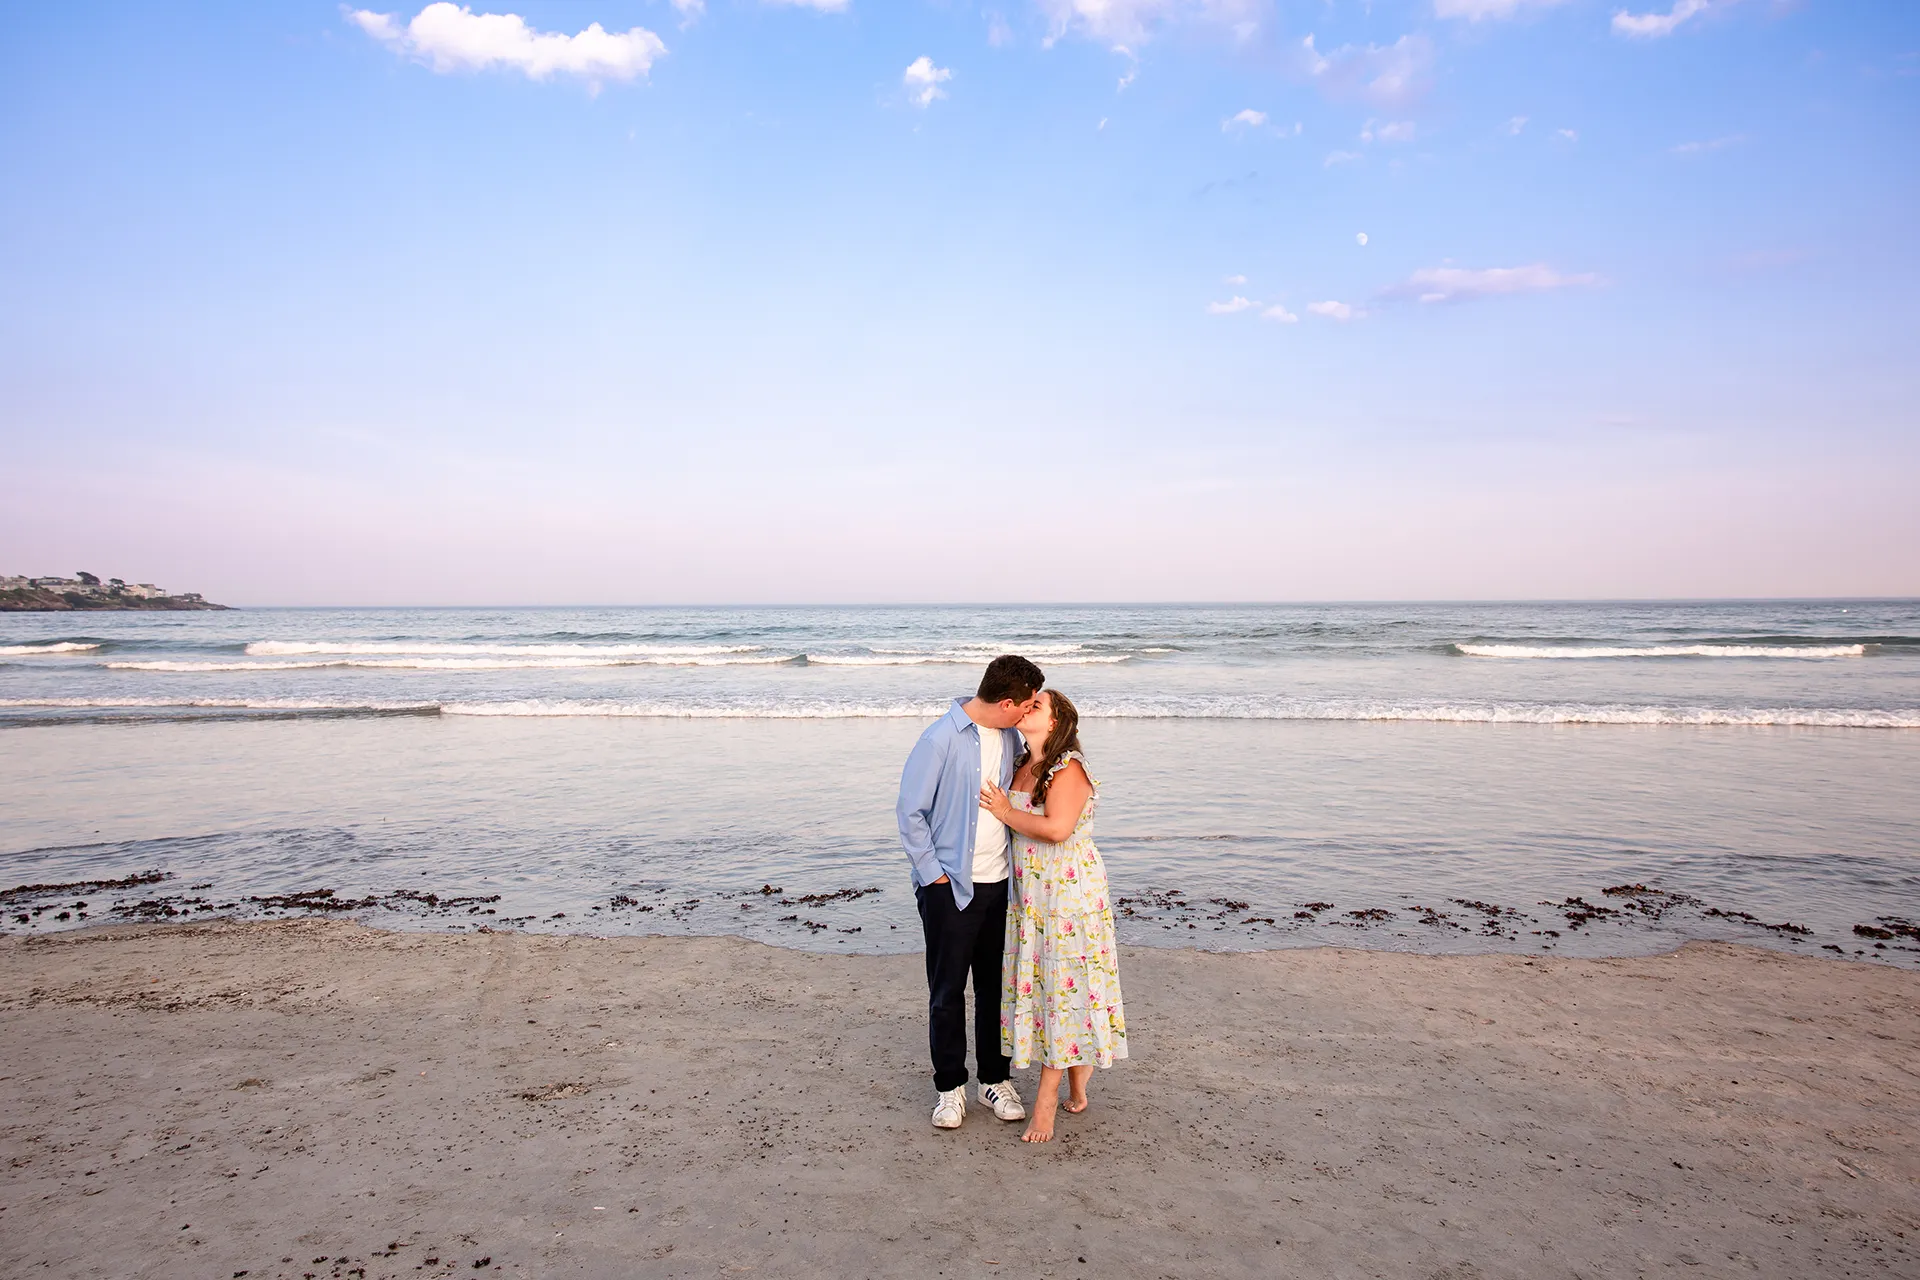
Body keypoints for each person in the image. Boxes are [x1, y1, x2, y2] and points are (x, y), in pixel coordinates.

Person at [897, 654, 1047, 1130]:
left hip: (1000, 883)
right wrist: (934, 876)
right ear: (1007, 702)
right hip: (950, 887)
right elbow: (909, 812)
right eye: (1024, 706)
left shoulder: (1009, 739)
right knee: (946, 991)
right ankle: (949, 1089)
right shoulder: (939, 738)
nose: (1026, 713)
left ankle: (993, 1080)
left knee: (994, 989)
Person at [979, 689, 1127, 1143]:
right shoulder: (1022, 764)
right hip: (1032, 897)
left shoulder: (1070, 768)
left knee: (1062, 990)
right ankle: (1078, 1074)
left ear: (1057, 719)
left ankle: (1046, 1101)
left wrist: (1005, 810)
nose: (1027, 708)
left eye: (1037, 705)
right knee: (1048, 986)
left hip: (1069, 896)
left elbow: (1058, 830)